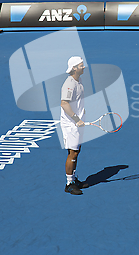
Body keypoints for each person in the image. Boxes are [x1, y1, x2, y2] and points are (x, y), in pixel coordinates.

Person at [60, 56, 89, 195]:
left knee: (76, 151)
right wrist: (76, 119)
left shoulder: (79, 80)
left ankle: (73, 179)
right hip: (71, 123)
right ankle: (69, 184)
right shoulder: (69, 84)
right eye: (81, 65)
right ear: (74, 68)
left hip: (77, 121)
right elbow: (64, 103)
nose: (84, 67)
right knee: (73, 152)